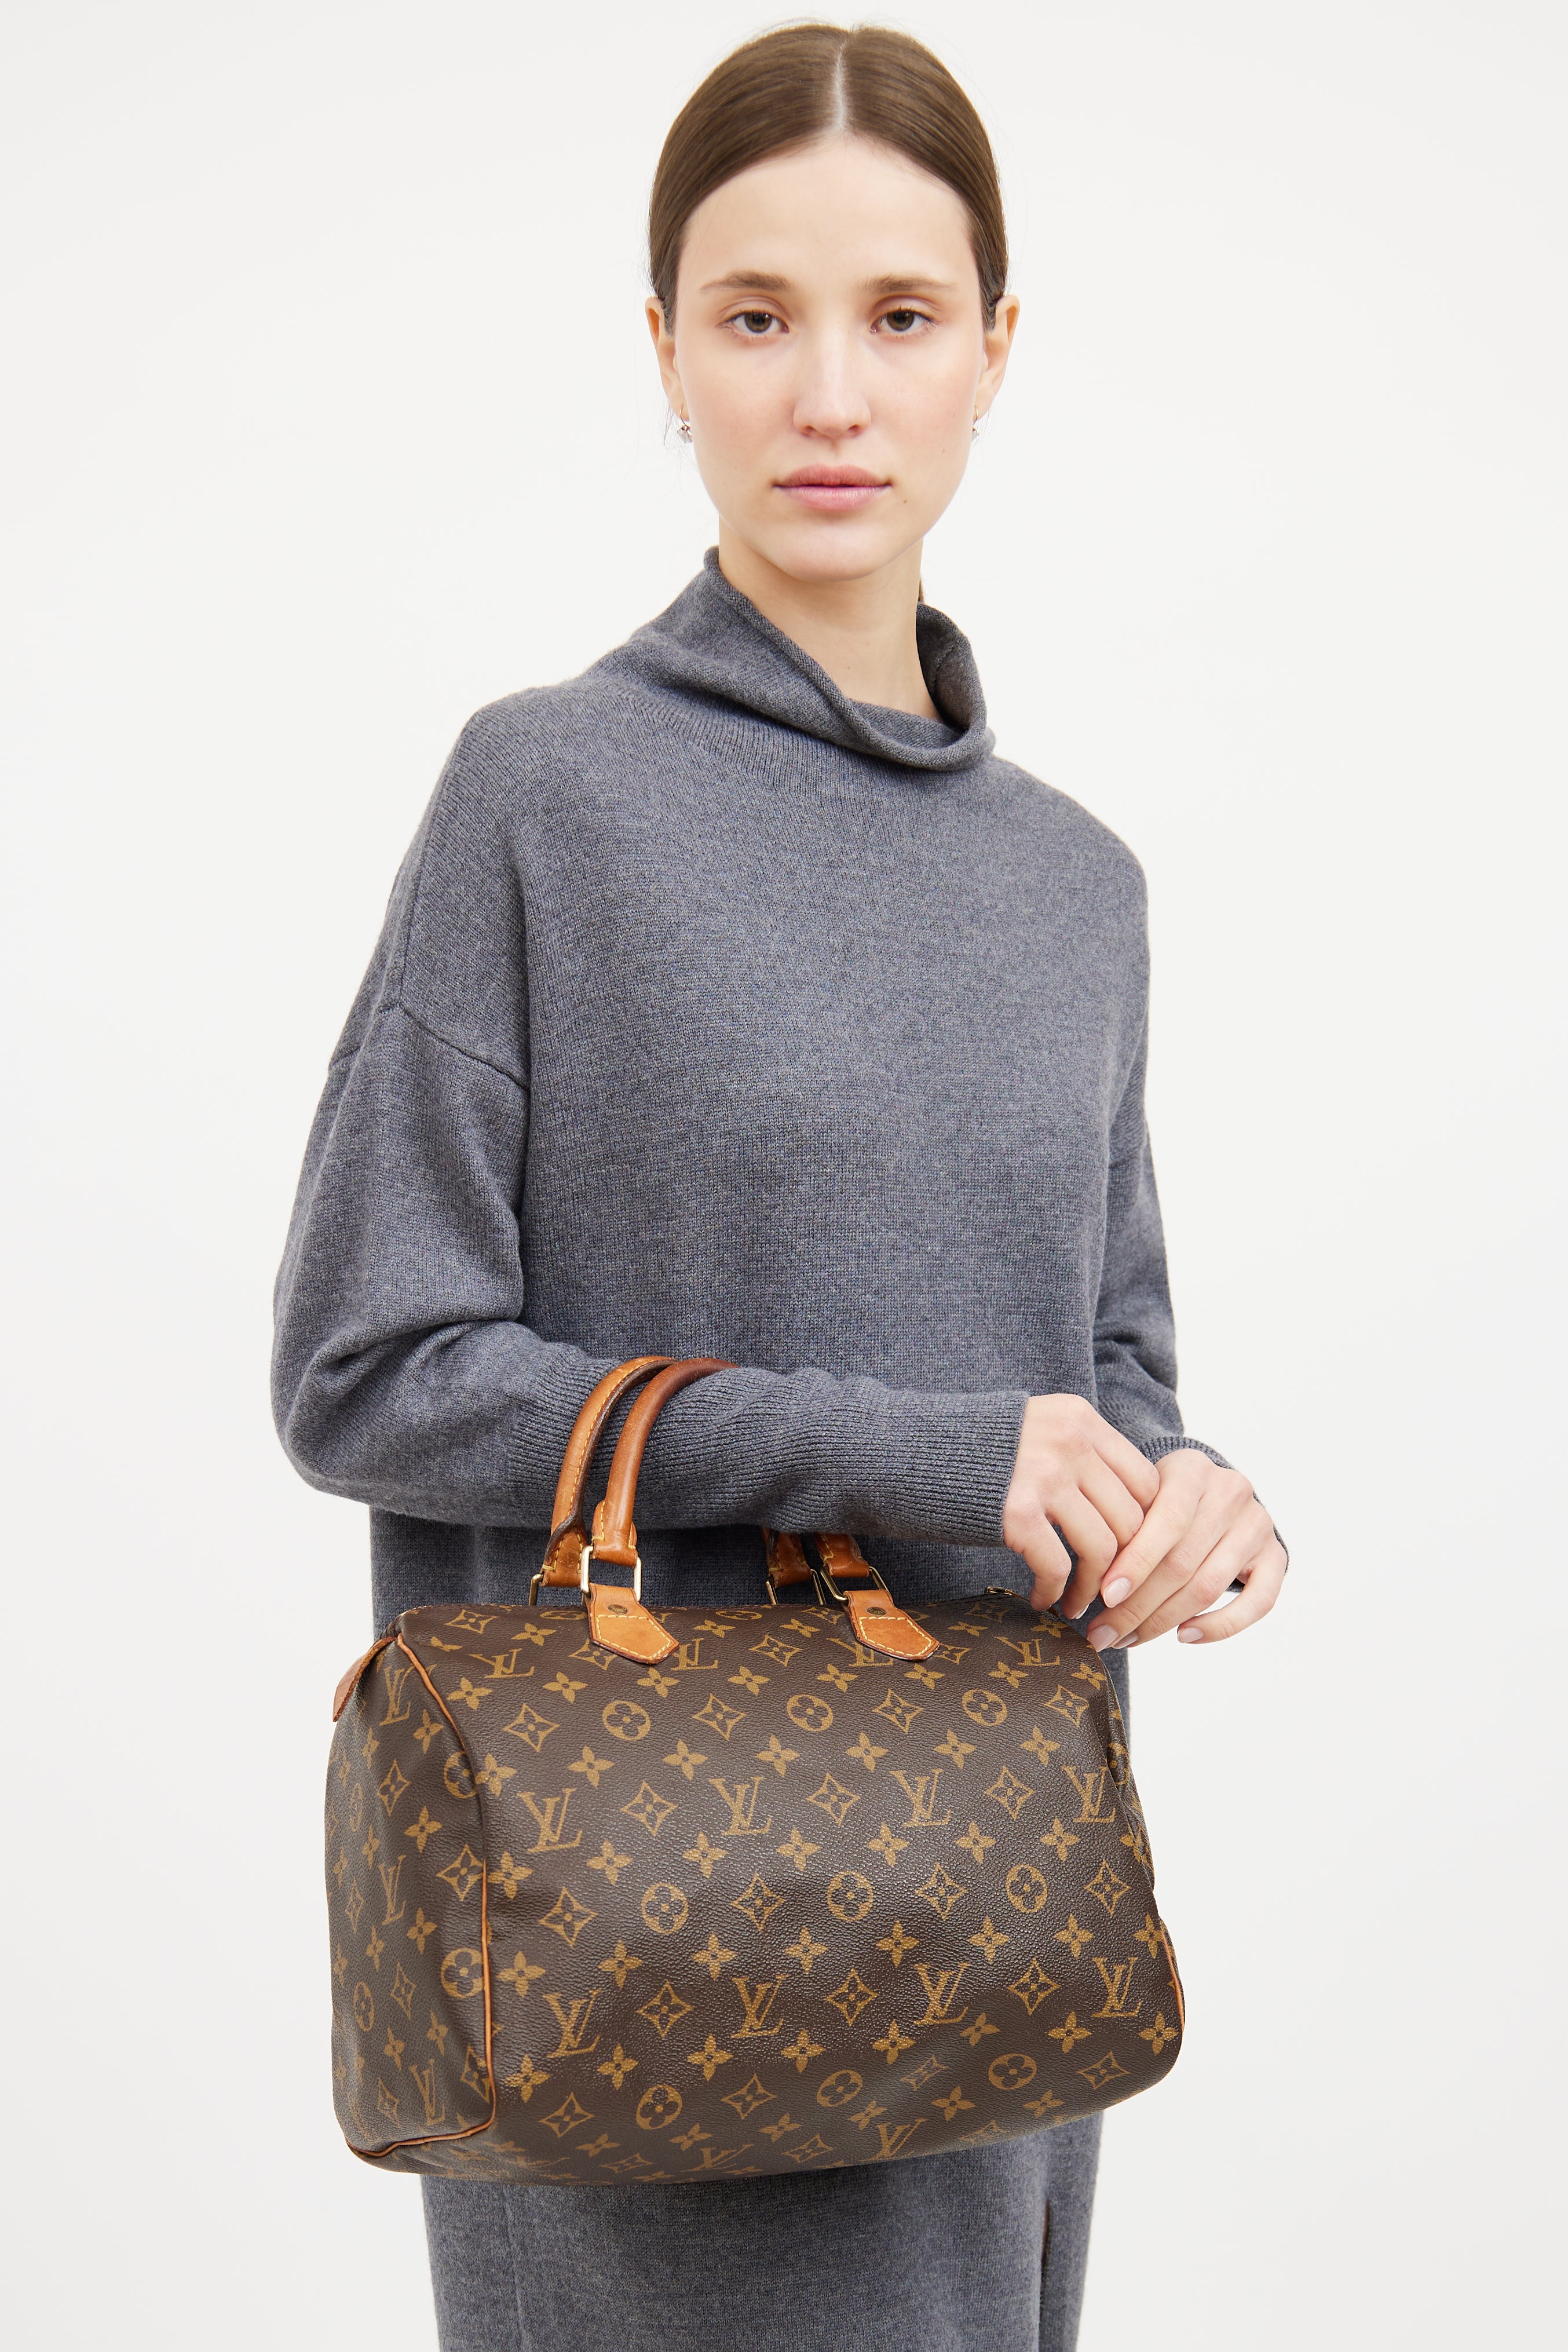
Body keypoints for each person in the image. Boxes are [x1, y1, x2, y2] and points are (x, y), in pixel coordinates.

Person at [273, 23, 1286, 2351]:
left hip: (994, 1934)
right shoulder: (545, 799)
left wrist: (1186, 1497)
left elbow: (1098, 1372)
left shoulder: (1076, 887)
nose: (828, 394)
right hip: (642, 1952)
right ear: (664, 349)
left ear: (994, 350)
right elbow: (364, 1367)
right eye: (754, 316)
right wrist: (910, 1454)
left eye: (898, 316)